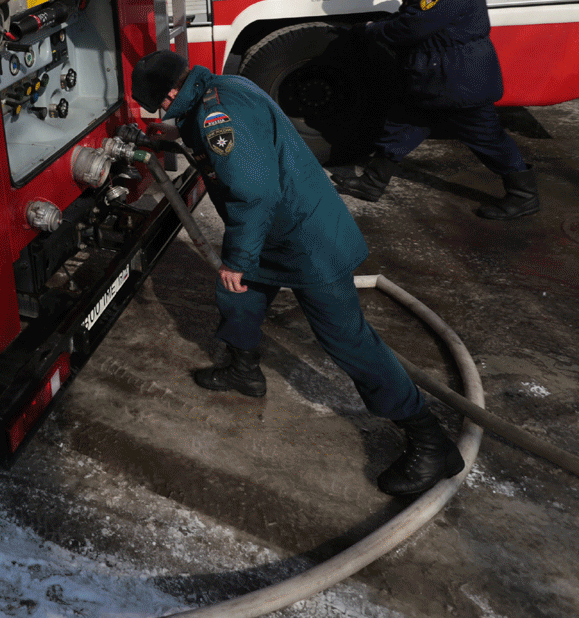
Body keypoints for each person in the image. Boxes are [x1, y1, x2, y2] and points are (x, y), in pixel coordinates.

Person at [129, 49, 464, 497]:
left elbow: (255, 192)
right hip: (279, 233)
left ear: (173, 91)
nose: (164, 112)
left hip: (307, 241)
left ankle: (428, 439)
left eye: (162, 106)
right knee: (239, 297)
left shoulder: (215, 117)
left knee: (347, 339)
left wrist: (238, 259)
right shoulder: (224, 86)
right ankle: (244, 371)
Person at [334, 0, 537, 219]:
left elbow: (415, 27)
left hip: (459, 79)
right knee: (401, 125)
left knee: (487, 138)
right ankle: (371, 184)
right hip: (434, 74)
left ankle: (524, 196)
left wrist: (371, 30)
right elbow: (416, 19)